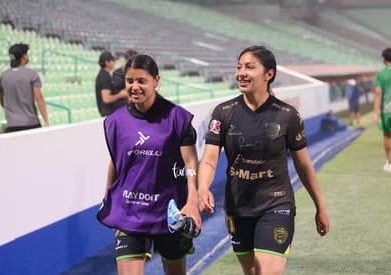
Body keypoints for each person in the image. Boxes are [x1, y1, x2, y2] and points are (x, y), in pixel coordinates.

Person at [198, 45, 330, 275]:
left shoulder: (288, 115)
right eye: (239, 67)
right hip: (237, 208)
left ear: (269, 74)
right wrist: (202, 188)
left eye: (250, 67)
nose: (241, 72)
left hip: (276, 205)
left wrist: (321, 206)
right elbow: (209, 158)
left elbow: (303, 164)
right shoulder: (223, 112)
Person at [97, 54, 201, 275]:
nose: (134, 87)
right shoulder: (115, 121)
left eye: (141, 81)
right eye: (130, 81)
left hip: (170, 213)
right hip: (129, 212)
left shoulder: (177, 118)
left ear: (156, 80)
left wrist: (192, 201)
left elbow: (190, 163)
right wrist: (108, 197)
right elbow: (117, 161)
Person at [0, 43, 49, 132]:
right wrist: (46, 121)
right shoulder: (32, 74)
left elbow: (2, 102)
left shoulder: (3, 76)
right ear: (24, 56)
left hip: (11, 125)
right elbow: (38, 98)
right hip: (31, 124)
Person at [95, 51, 129, 116]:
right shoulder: (104, 77)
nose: (114, 62)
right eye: (112, 60)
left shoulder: (105, 75)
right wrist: (120, 95)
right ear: (107, 62)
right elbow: (106, 99)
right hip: (107, 114)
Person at [374, 48, 391, 173]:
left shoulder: (381, 74)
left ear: (385, 59)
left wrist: (375, 112)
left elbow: (378, 93)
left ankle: (390, 162)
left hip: (387, 110)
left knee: (387, 136)